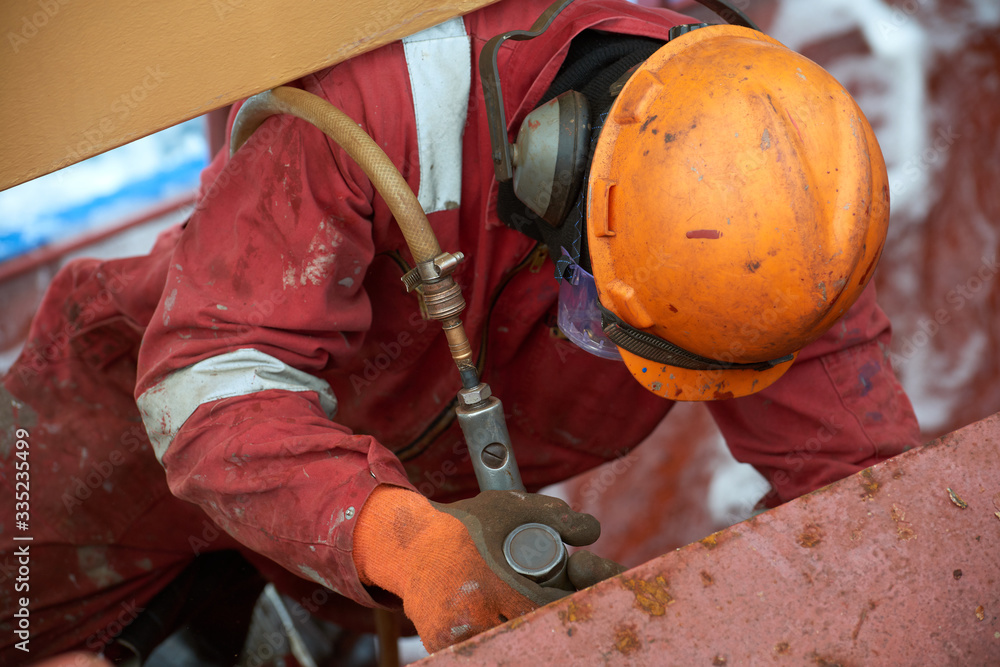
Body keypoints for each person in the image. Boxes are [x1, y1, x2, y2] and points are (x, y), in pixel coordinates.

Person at [0, 0, 920, 661]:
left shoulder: (773, 237)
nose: (594, 341)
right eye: (602, 318)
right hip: (119, 446)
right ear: (556, 173)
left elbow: (869, 491)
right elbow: (212, 380)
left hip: (360, 556)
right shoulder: (375, 103)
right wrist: (409, 543)